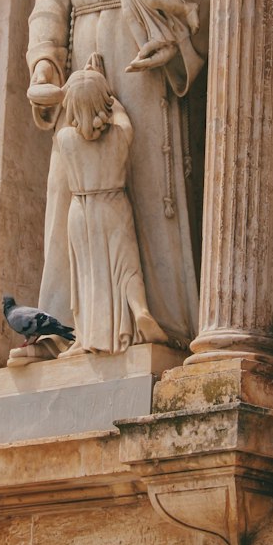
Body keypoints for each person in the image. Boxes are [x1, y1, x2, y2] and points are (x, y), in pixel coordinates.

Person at [27, 0, 212, 347]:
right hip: (83, 58)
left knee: (148, 185)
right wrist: (43, 62)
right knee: (70, 194)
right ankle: (64, 326)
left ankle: (160, 322)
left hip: (140, 57)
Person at [53, 58, 166, 353]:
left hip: (80, 211)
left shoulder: (65, 139)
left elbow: (74, 118)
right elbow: (121, 116)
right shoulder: (119, 134)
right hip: (114, 203)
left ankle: (89, 335)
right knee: (125, 267)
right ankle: (139, 310)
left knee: (89, 276)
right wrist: (105, 89)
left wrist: (82, 88)